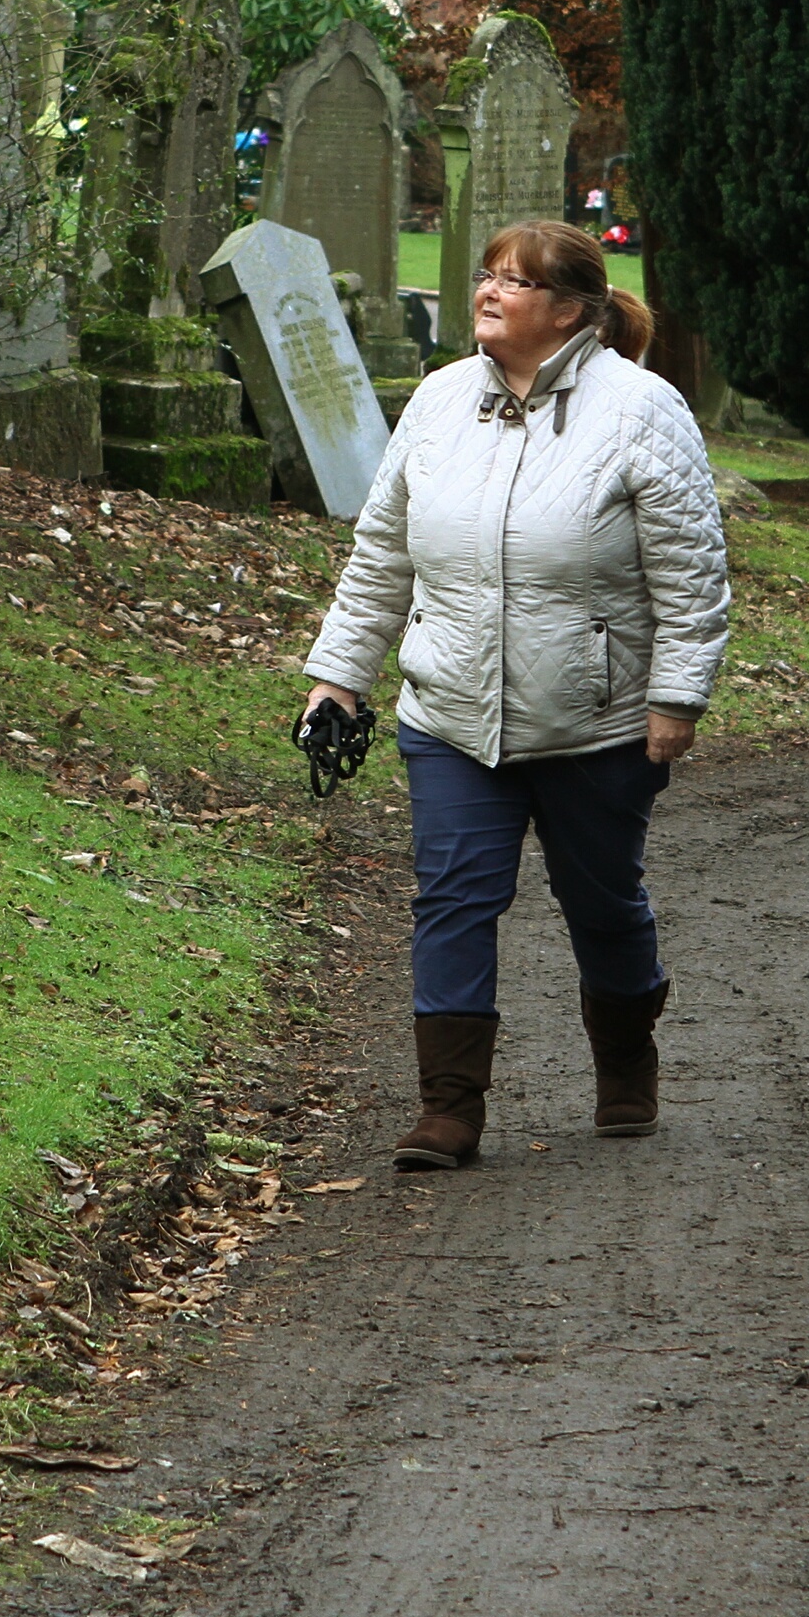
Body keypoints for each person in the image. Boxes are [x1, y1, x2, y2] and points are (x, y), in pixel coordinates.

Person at [301, 219, 732, 1169]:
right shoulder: (441, 399)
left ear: (571, 312)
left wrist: (677, 699)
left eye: (515, 281)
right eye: (487, 274)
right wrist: (339, 676)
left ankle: (626, 1056)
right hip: (449, 711)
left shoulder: (643, 410)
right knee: (453, 898)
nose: (489, 291)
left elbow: (691, 575)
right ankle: (449, 1108)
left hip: (598, 723)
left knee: (603, 901)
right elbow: (382, 552)